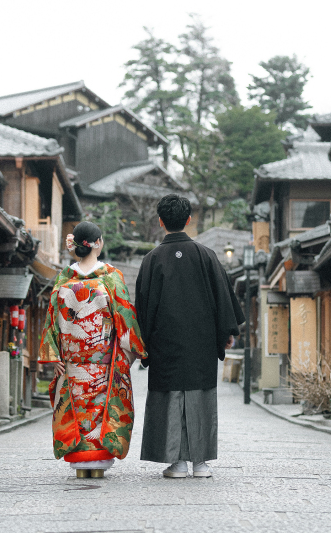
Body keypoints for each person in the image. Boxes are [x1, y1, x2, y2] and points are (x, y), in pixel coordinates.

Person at [135, 194, 245, 478]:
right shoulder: (206, 255)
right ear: (188, 220)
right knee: (200, 397)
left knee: (170, 398)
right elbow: (223, 297)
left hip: (165, 345)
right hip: (202, 343)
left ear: (161, 221)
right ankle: (200, 463)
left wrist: (143, 346)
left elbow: (144, 308)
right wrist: (227, 334)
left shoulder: (152, 260)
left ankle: (177, 463)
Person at [38, 221, 146, 478]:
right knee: (100, 411)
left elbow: (51, 320)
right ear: (98, 243)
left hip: (71, 362)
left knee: (74, 408)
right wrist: (128, 354)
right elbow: (125, 318)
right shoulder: (111, 277)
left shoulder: (63, 278)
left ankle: (80, 466)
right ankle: (97, 467)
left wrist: (54, 356)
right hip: (104, 363)